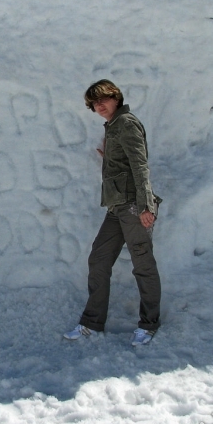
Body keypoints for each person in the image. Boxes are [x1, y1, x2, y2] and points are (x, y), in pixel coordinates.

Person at [64, 80, 162, 346]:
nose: (99, 106)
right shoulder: (115, 126)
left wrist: (145, 206)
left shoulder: (127, 123)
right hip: (117, 207)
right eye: (93, 103)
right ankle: (92, 323)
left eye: (102, 99)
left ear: (116, 97)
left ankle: (149, 324)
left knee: (143, 265)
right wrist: (108, 157)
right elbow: (125, 161)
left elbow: (141, 167)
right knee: (98, 260)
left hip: (132, 206)